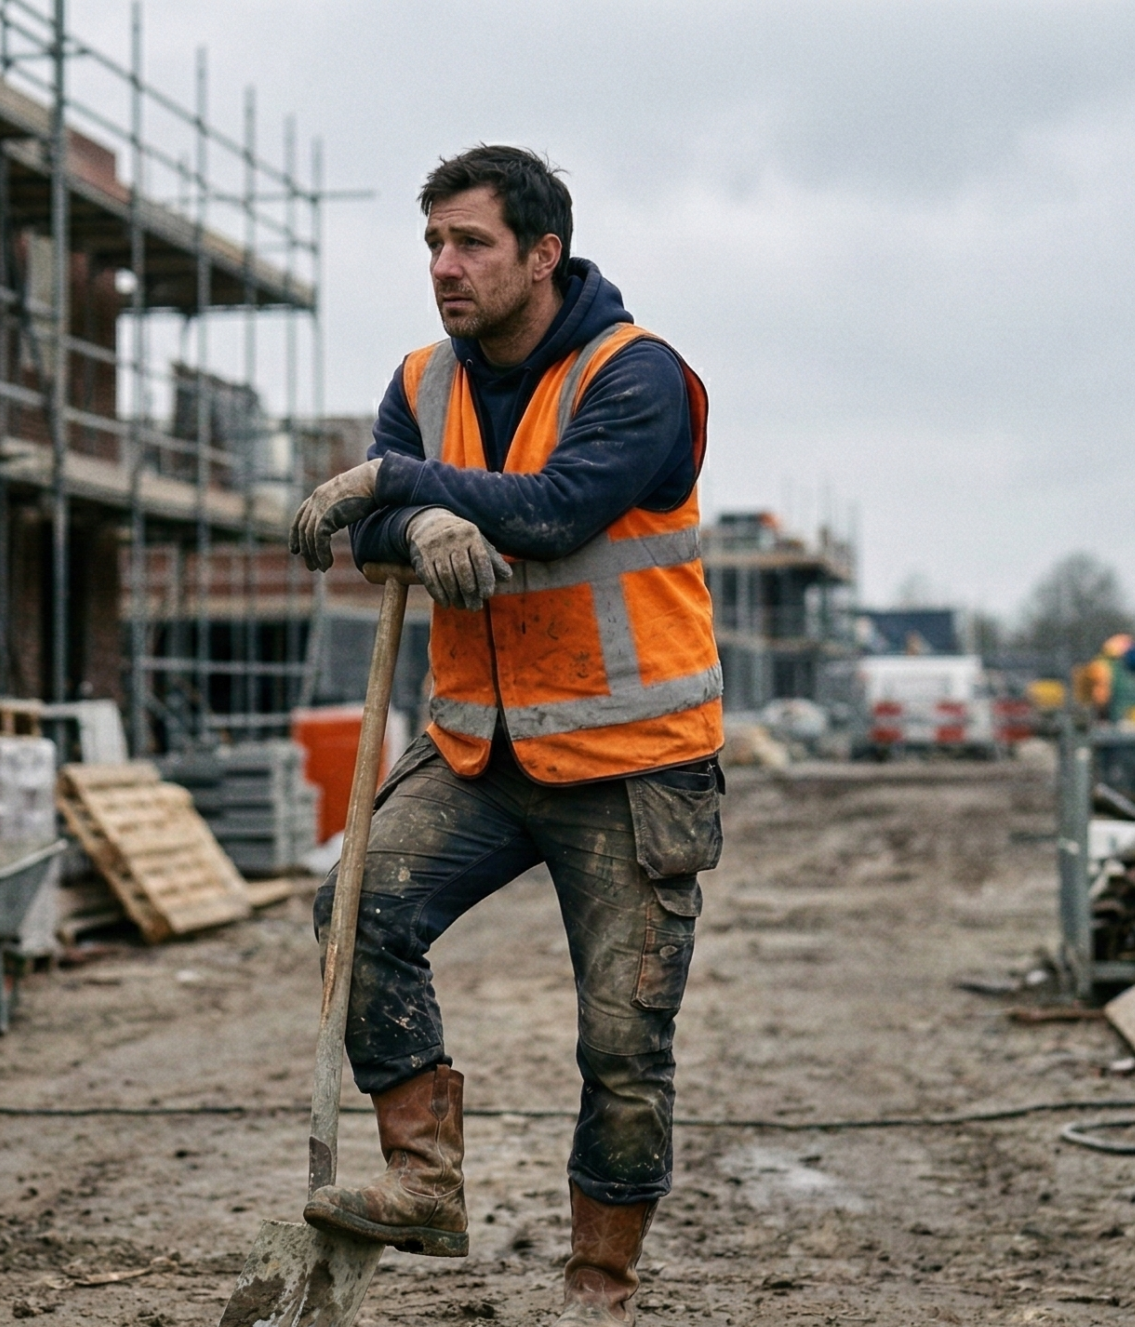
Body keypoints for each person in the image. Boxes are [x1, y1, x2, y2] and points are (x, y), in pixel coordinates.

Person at [287, 145, 723, 1327]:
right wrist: (411, 518)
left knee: (622, 1044)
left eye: (470, 243)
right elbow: (371, 538)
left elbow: (558, 510)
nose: (444, 267)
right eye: (432, 242)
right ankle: (424, 1182)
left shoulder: (641, 379)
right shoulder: (423, 380)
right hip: (481, 751)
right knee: (355, 910)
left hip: (632, 764)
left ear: (544, 254)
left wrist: (395, 482)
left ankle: (599, 1287)